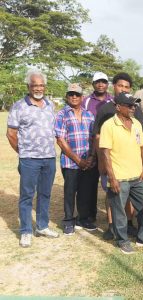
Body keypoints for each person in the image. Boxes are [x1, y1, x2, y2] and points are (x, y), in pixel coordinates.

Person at [99, 93, 143, 254]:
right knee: (119, 212)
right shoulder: (109, 126)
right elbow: (105, 153)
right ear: (118, 107)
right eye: (129, 105)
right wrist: (112, 177)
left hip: (137, 176)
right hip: (119, 177)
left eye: (134, 105)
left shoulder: (137, 124)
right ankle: (122, 240)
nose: (133, 108)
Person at [6, 69, 59, 247]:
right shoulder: (19, 106)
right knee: (27, 195)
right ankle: (26, 231)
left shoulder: (50, 105)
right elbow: (11, 133)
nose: (38, 88)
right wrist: (23, 152)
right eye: (35, 85)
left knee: (45, 193)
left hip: (49, 158)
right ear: (28, 86)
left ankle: (42, 226)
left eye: (41, 85)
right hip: (29, 159)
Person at [93, 72, 143, 240]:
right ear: (114, 86)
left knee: (129, 196)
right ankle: (111, 225)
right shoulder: (105, 110)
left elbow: (141, 138)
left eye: (126, 86)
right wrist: (101, 164)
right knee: (113, 197)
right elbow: (98, 137)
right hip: (112, 164)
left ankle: (129, 224)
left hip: (132, 167)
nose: (123, 88)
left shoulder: (135, 111)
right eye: (120, 86)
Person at [55, 83, 97, 235]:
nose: (74, 97)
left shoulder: (88, 115)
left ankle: (83, 219)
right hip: (70, 162)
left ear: (82, 97)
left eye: (77, 94)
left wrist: (91, 156)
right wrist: (77, 160)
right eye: (71, 94)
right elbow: (60, 140)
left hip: (88, 161)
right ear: (67, 96)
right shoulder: (62, 114)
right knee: (70, 192)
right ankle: (68, 220)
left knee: (85, 191)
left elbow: (94, 138)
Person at [82, 71, 114, 223]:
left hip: (108, 146)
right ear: (93, 84)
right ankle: (90, 214)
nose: (101, 84)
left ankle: (113, 217)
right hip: (91, 146)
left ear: (107, 84)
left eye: (104, 82)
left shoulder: (113, 101)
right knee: (90, 182)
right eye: (98, 82)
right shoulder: (86, 101)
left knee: (109, 183)